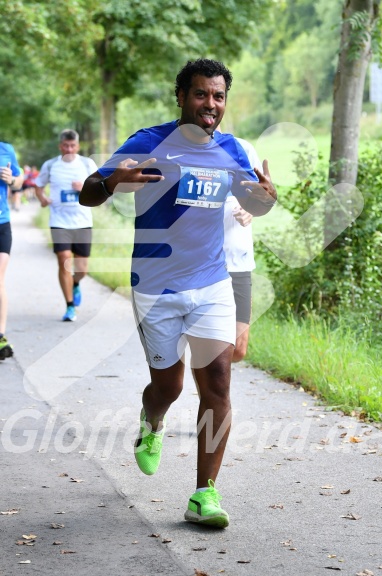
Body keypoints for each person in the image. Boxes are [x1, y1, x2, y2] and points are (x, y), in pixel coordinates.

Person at [80, 58, 277, 528]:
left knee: (219, 383)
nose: (210, 104)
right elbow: (88, 193)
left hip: (212, 283)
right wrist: (112, 180)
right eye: (201, 94)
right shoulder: (149, 142)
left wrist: (267, 199)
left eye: (218, 96)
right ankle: (152, 423)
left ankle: (203, 495)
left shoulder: (230, 150)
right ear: (182, 96)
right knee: (167, 386)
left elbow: (251, 202)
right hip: (155, 287)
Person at [35, 129, 98, 322]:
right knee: (63, 260)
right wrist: (43, 199)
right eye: (65, 145)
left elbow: (100, 187)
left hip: (82, 222)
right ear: (60, 146)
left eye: (72, 146)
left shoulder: (87, 164)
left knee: (81, 269)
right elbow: (38, 185)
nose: (69, 149)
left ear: (78, 146)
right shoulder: (51, 164)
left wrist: (85, 187)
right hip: (59, 222)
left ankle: (75, 282)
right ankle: (70, 306)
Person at [223, 137, 262, 362]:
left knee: (238, 349)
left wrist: (251, 210)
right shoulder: (188, 151)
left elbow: (262, 197)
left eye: (218, 97)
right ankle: (211, 398)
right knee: (209, 349)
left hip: (238, 258)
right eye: (201, 97)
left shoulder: (243, 149)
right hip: (201, 261)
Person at [0, 141, 23, 359]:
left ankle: (0, 336)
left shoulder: (6, 149)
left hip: (1, 224)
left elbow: (19, 179)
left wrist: (12, 180)